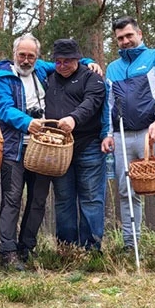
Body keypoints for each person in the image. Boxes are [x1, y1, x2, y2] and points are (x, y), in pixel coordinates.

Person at [0, 34, 101, 269]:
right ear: (14, 54)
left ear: (37, 57)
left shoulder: (42, 70)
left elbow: (69, 61)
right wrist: (26, 122)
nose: (26, 60)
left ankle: (26, 248)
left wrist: (90, 61)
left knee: (38, 200)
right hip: (15, 149)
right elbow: (3, 108)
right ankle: (7, 251)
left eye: (31, 55)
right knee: (12, 200)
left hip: (44, 149)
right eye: (22, 55)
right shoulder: (2, 78)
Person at [102, 16, 155, 261]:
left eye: (129, 36)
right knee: (127, 191)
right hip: (122, 136)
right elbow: (109, 104)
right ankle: (130, 244)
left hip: (153, 133)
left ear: (139, 34)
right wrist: (107, 133)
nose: (125, 41)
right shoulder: (113, 68)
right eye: (120, 38)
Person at [45, 39, 109, 250]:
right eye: (58, 62)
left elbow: (92, 102)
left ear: (78, 59)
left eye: (67, 62)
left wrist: (73, 118)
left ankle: (91, 248)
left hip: (88, 145)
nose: (62, 66)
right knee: (63, 199)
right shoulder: (49, 78)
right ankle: (67, 248)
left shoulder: (92, 78)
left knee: (91, 197)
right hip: (59, 147)